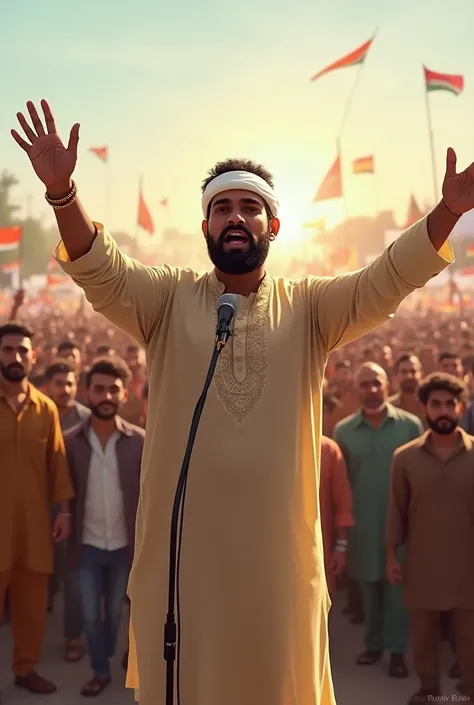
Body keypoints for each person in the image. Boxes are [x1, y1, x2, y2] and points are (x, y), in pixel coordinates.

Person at [11, 99, 474, 705]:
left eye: (250, 207)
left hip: (278, 567)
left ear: (273, 226)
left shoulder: (311, 307)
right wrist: (64, 196)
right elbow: (102, 271)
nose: (235, 217)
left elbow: (385, 279)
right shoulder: (167, 300)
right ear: (205, 227)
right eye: (221, 207)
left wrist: (448, 212)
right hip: (186, 567)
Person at [386, 373, 474, 705]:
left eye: (449, 404)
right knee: (424, 638)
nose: (443, 411)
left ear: (461, 408)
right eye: (435, 404)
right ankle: (429, 692)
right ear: (424, 408)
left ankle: (468, 694)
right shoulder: (405, 458)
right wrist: (392, 555)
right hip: (422, 564)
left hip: (468, 565)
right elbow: (396, 510)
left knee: (470, 640)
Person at [334, 363, 423, 678]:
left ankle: (396, 651)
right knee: (369, 590)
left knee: (396, 593)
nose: (371, 390)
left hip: (400, 525)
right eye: (365, 384)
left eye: (377, 383)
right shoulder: (343, 431)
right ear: (356, 389)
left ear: (388, 386)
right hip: (363, 527)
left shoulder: (410, 426)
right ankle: (373, 645)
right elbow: (339, 486)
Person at [0, 322, 73, 694]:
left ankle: (25, 668)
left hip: (33, 529)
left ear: (33, 356)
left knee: (31, 607)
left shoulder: (45, 409)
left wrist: (63, 511)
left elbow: (57, 462)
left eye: (21, 350)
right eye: (7, 349)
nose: (15, 357)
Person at [64, 358, 143, 696]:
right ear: (87, 393)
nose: (106, 395)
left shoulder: (140, 442)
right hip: (87, 545)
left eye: (113, 389)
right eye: (99, 389)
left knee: (113, 614)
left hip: (125, 546)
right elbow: (61, 493)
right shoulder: (69, 442)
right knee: (91, 616)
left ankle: (109, 652)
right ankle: (100, 670)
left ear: (124, 394)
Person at [44, 360, 90, 662]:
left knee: (72, 573)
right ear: (48, 386)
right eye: (59, 384)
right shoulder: (39, 414)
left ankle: (74, 636)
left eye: (70, 383)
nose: (65, 389)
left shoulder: (86, 418)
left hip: (75, 507)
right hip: (39, 505)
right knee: (44, 572)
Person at [319, 436, 354, 597]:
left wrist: (340, 547)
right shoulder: (271, 448)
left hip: (320, 549)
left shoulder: (327, 449)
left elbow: (342, 503)